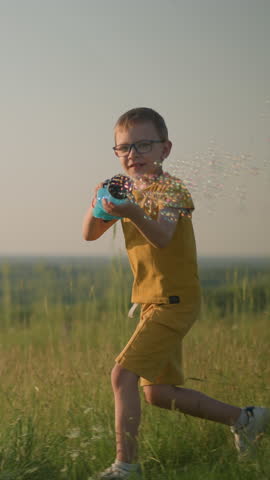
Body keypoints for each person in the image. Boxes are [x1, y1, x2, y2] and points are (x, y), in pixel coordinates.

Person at [82, 107, 269, 479]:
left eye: (144, 145)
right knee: (157, 392)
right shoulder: (126, 191)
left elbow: (164, 237)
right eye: (124, 148)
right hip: (151, 303)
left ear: (165, 149)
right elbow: (89, 234)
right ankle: (246, 419)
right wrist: (99, 203)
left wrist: (131, 211)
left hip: (175, 301)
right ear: (116, 153)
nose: (133, 154)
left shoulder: (172, 190)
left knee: (122, 376)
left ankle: (126, 466)